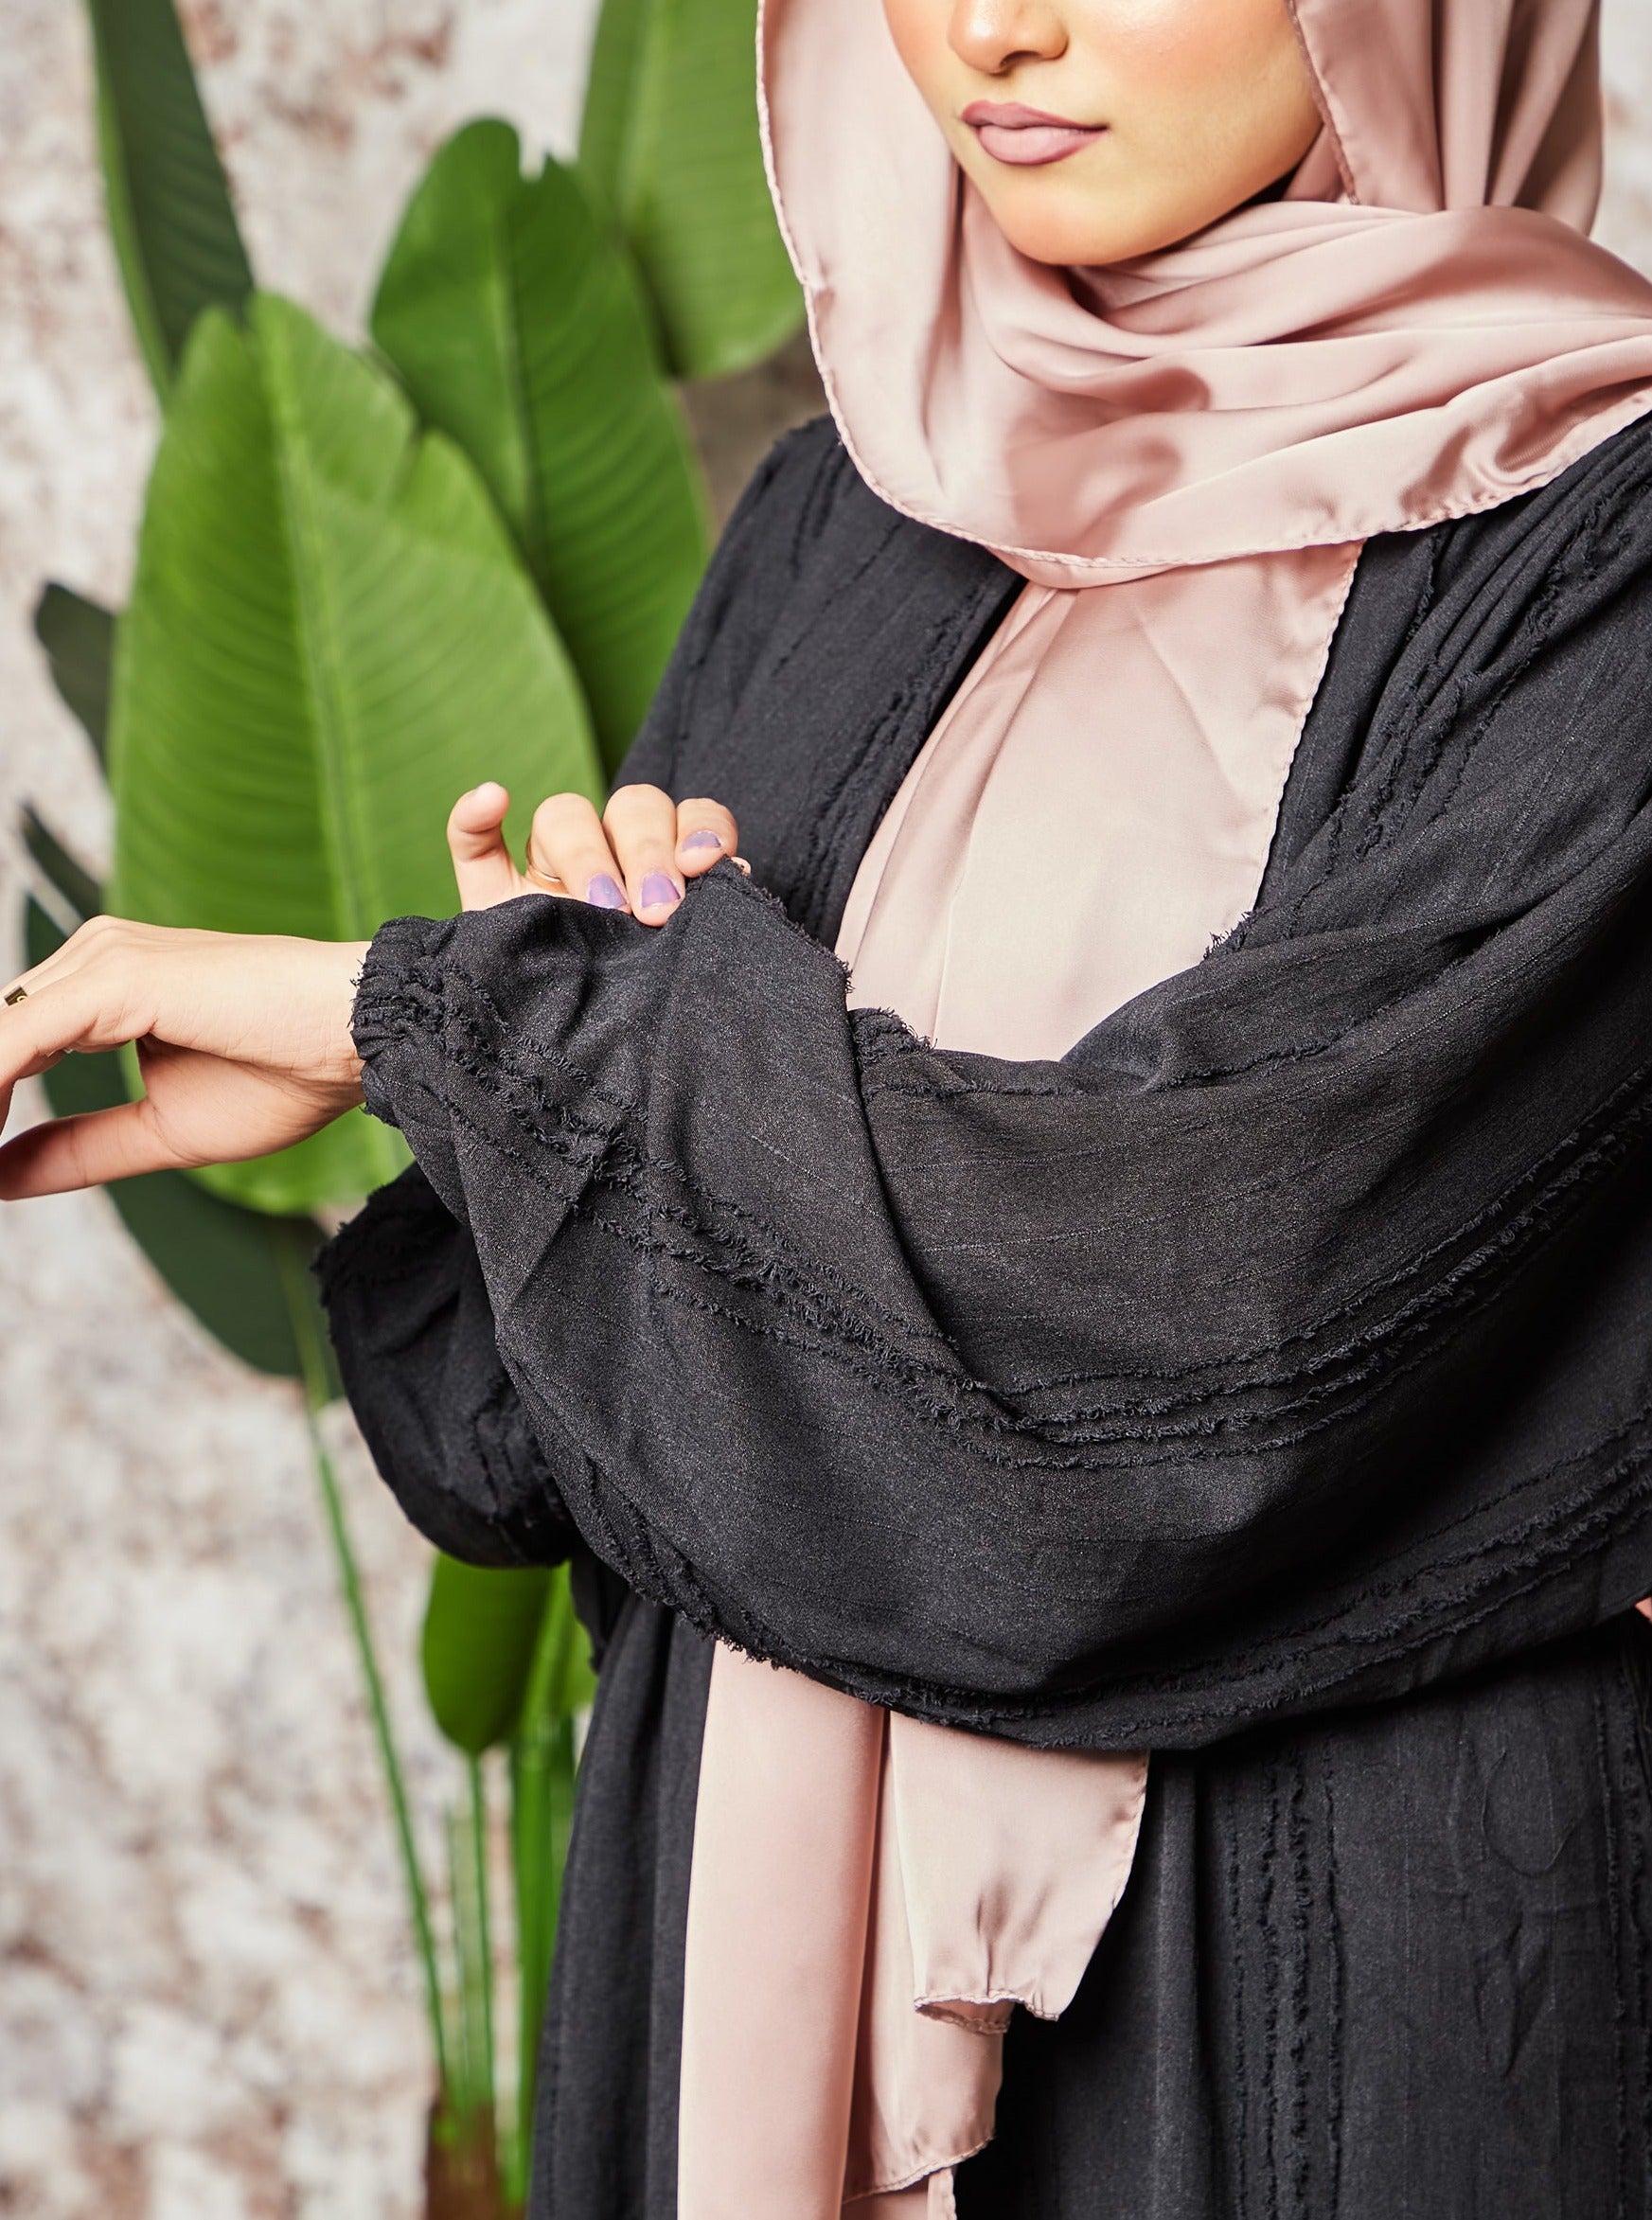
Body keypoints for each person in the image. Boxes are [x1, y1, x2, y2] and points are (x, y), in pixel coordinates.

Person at [9, 0, 1652, 2209]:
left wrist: (464, 1031)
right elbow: (585, 1446)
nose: (993, 30)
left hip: (1313, 1992)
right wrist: (538, 1051)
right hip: (730, 1931)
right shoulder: (848, 515)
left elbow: (1216, 1324)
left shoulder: (1605, 561)